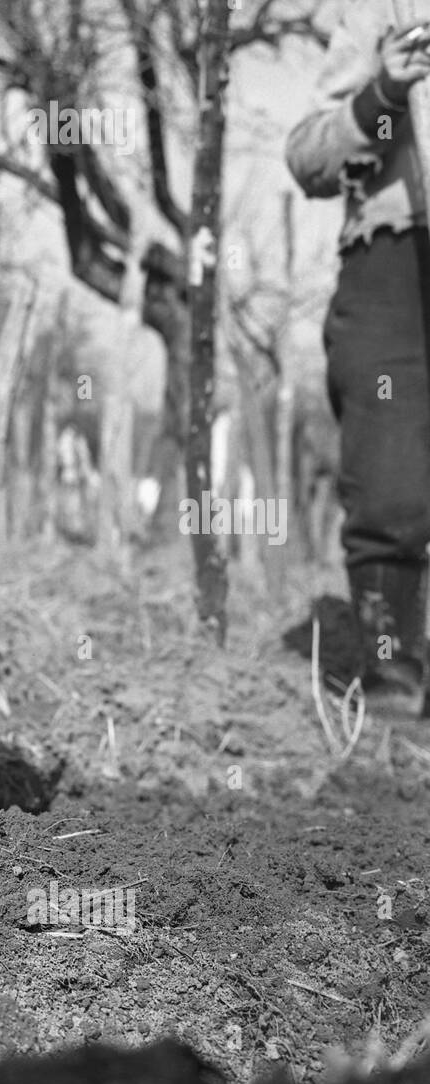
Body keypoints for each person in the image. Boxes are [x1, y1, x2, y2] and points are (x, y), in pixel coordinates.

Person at [287, 3, 430, 715]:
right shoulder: (382, 13)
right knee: (390, 484)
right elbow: (308, 156)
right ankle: (393, 673)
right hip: (394, 262)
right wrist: (383, 95)